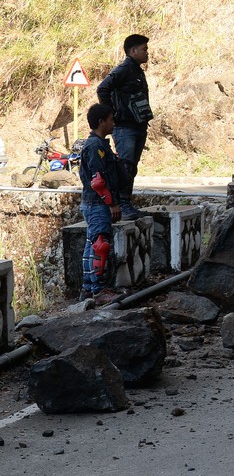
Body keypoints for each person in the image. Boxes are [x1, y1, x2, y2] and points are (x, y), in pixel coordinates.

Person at [96, 34, 152, 220]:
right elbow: (103, 88)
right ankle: (122, 204)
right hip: (125, 128)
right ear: (133, 51)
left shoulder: (136, 70)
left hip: (138, 125)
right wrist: (112, 114)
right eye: (144, 49)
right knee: (125, 167)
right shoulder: (124, 69)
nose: (147, 53)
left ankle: (127, 203)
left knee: (131, 167)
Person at [78, 103, 123, 307]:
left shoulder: (98, 144)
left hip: (93, 202)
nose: (114, 123)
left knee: (91, 243)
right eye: (111, 119)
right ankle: (99, 291)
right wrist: (112, 203)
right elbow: (98, 181)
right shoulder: (95, 146)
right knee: (100, 245)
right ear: (101, 122)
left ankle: (88, 288)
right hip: (98, 203)